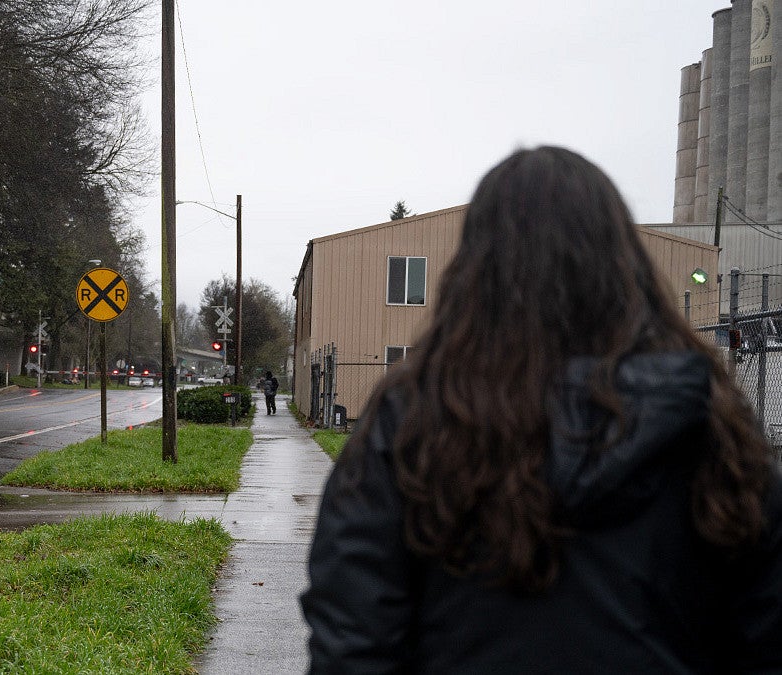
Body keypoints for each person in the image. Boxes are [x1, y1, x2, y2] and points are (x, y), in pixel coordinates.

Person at [300, 146, 782, 673]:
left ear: (473, 272)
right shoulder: (712, 423)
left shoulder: (411, 422)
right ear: (625, 265)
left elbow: (353, 641)